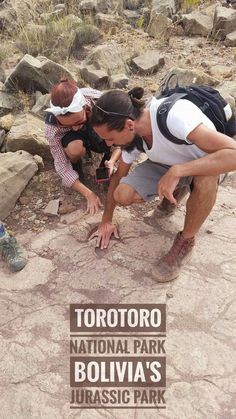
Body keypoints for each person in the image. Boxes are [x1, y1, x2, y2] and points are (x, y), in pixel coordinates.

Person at [90, 87, 236, 282]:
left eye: (110, 138)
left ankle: (186, 240)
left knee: (205, 179)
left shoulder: (176, 116)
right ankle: (178, 188)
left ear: (129, 125)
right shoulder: (132, 138)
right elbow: (118, 178)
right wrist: (106, 220)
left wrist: (179, 171)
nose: (108, 145)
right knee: (122, 194)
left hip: (206, 162)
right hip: (167, 163)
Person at [45, 79, 121, 215]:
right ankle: (77, 163)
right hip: (75, 140)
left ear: (85, 108)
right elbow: (62, 167)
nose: (74, 127)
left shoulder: (99, 101)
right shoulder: (52, 127)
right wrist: (88, 194)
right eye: (66, 125)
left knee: (108, 137)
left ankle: (105, 158)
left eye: (78, 121)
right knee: (74, 148)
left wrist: (113, 160)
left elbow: (122, 138)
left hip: (96, 130)